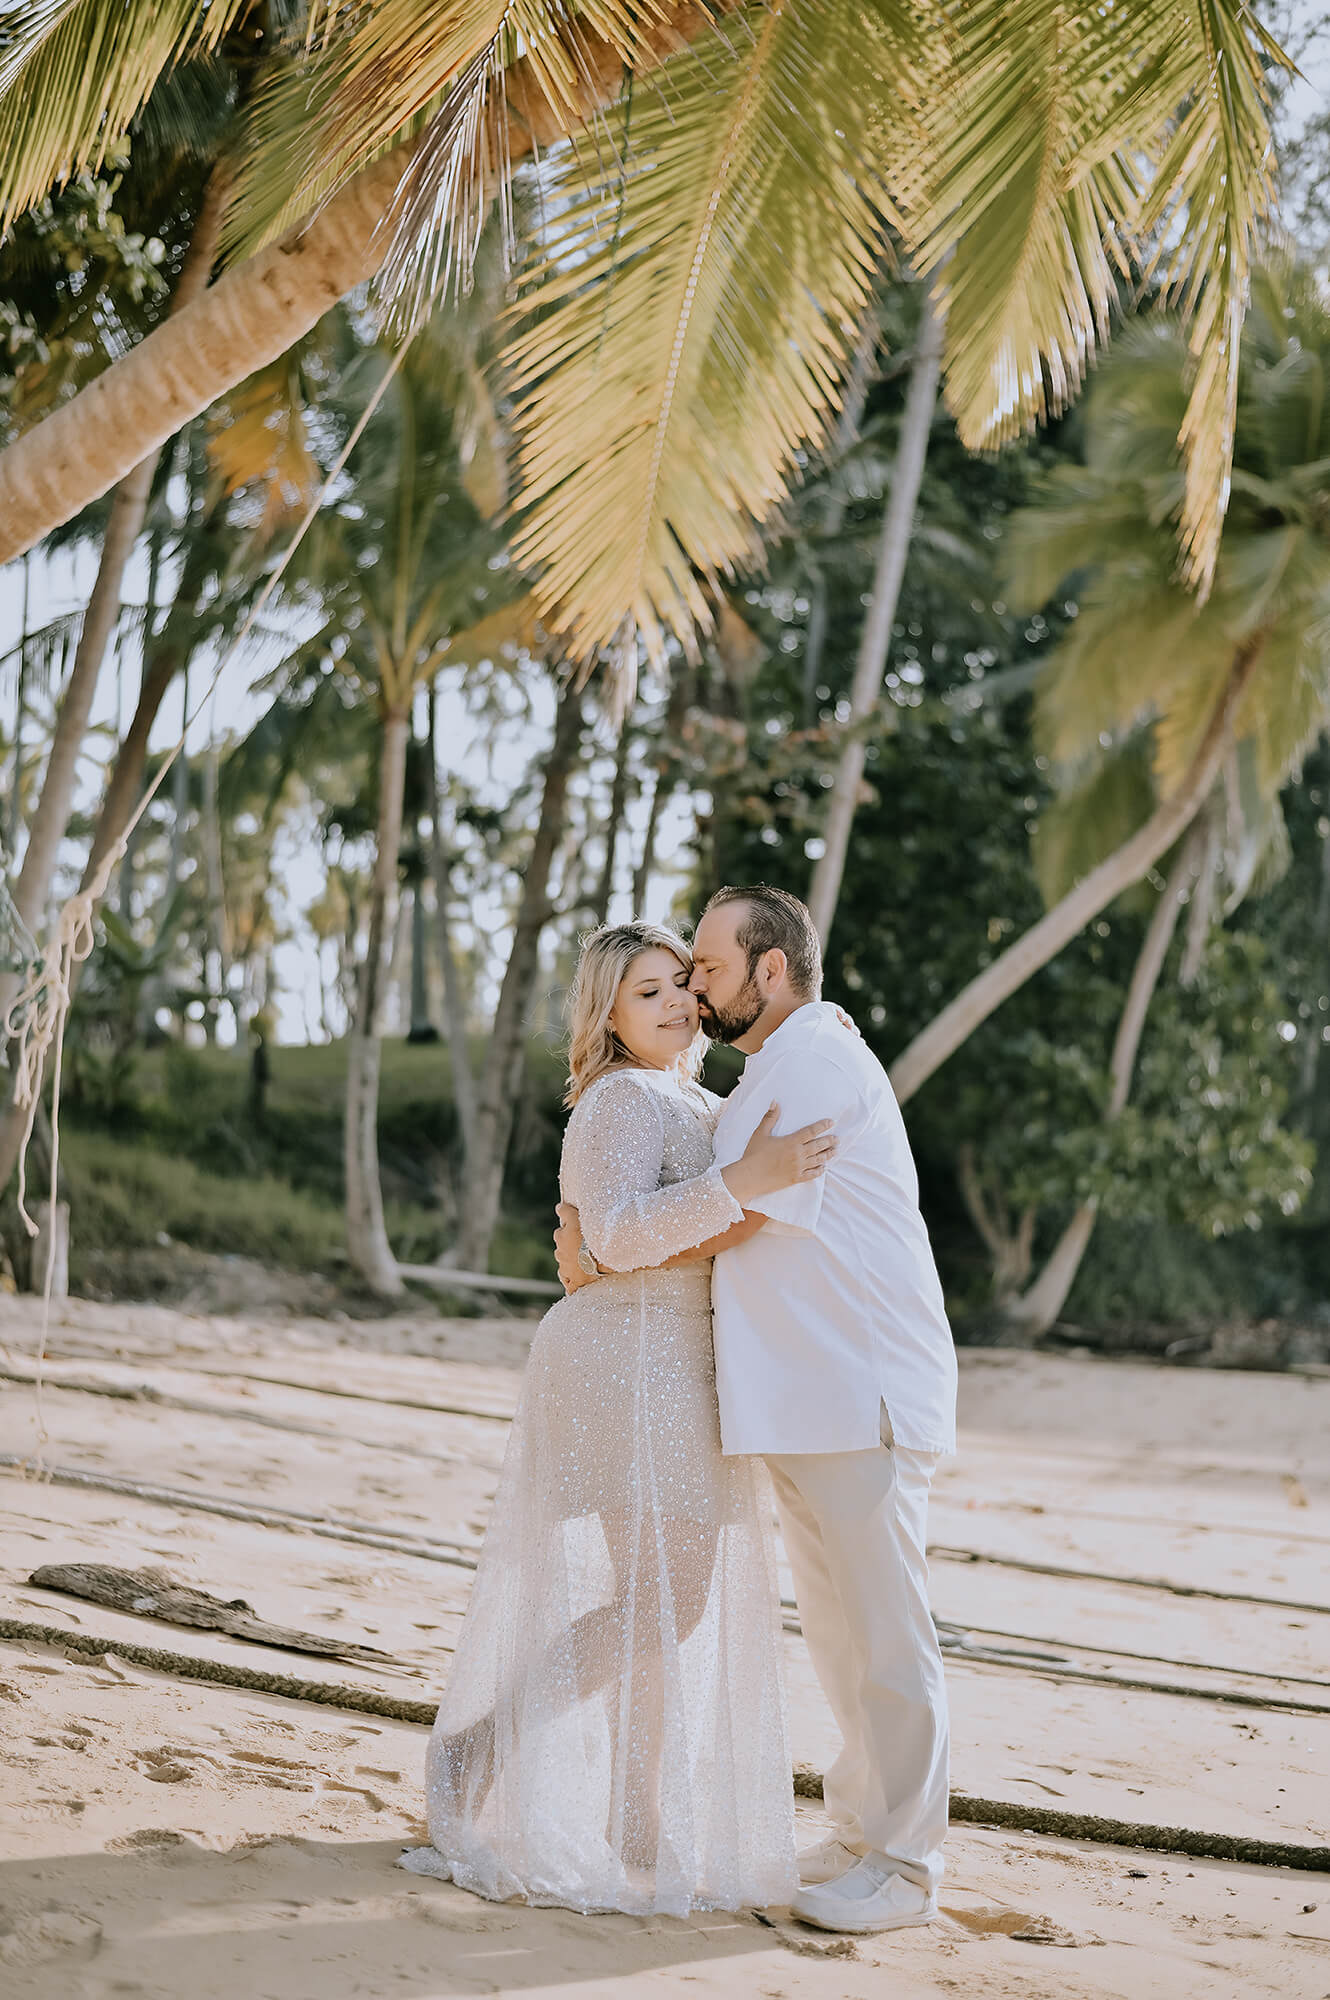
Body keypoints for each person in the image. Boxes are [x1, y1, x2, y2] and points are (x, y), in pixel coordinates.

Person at [401, 920, 836, 1917]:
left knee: (656, 1600)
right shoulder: (620, 1097)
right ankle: (483, 1749)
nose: (680, 1004)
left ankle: (633, 1813)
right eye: (649, 993)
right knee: (667, 1601)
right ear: (606, 1014)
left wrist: (751, 1185)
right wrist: (748, 1182)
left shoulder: (697, 1097)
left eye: (683, 985)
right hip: (621, 1351)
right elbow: (618, 1232)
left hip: (677, 1354)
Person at [556, 885, 957, 1936]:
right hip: (803, 1399)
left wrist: (596, 1249)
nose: (695, 982)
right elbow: (686, 1178)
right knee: (839, 1631)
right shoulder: (767, 1069)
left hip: (856, 1390)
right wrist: (586, 1222)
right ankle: (867, 1830)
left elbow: (728, 1210)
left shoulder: (811, 1063)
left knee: (886, 1629)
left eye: (709, 965)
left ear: (769, 971)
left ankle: (907, 1863)